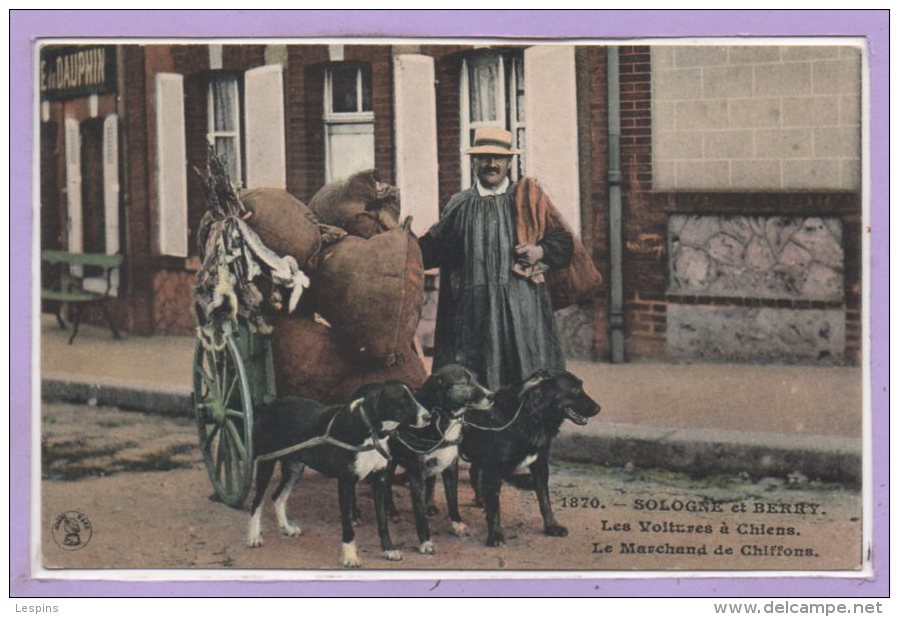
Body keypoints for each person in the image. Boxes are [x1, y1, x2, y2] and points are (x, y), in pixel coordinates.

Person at [419, 127, 574, 390]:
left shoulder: (528, 201)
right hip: (473, 320)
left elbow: (564, 243)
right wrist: (395, 245)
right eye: (484, 157)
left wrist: (540, 251)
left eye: (498, 158)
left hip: (523, 316)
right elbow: (430, 250)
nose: (492, 164)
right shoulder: (459, 205)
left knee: (527, 389)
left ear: (510, 162)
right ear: (474, 162)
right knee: (476, 392)